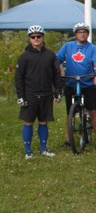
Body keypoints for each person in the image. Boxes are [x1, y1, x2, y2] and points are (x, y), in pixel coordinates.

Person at [15, 25, 63, 159]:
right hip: (30, 94)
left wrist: (58, 91)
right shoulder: (24, 56)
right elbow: (18, 78)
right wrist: (20, 96)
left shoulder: (50, 55)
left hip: (46, 94)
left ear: (43, 37)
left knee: (43, 122)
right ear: (30, 39)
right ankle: (28, 151)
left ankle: (43, 149)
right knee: (28, 122)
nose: (36, 39)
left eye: (38, 36)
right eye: (33, 37)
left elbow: (56, 75)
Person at [56, 22, 96, 150]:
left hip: (87, 83)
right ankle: (67, 140)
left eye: (84, 32)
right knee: (69, 114)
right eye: (79, 32)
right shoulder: (67, 47)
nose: (82, 34)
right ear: (75, 34)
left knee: (93, 111)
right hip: (71, 83)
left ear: (88, 34)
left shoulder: (92, 48)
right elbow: (57, 59)